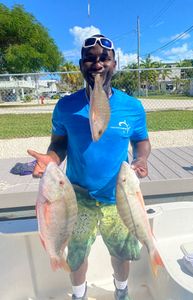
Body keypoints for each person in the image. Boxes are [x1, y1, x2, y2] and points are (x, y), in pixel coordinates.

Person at [28, 34, 151, 300]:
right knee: (77, 253)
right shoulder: (65, 107)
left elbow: (141, 141)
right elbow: (58, 144)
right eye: (90, 59)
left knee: (120, 252)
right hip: (77, 197)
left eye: (104, 58)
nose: (97, 64)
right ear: (82, 65)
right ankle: (78, 295)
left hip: (118, 197)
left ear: (114, 64)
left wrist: (141, 159)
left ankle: (121, 292)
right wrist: (51, 159)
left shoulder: (132, 107)